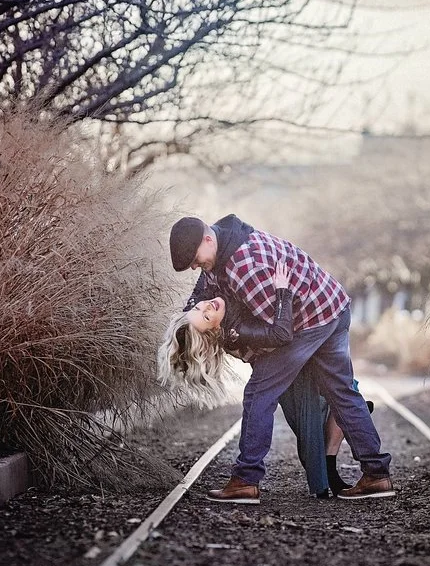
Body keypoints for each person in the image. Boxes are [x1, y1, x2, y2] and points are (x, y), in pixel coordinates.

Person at [167, 213, 394, 502]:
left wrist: (241, 339)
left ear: (208, 239)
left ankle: (245, 480)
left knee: (260, 392)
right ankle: (377, 474)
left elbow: (278, 333)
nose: (197, 267)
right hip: (333, 305)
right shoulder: (224, 241)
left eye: (196, 260)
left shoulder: (245, 267)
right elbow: (203, 290)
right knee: (343, 391)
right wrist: (186, 321)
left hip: (309, 320)